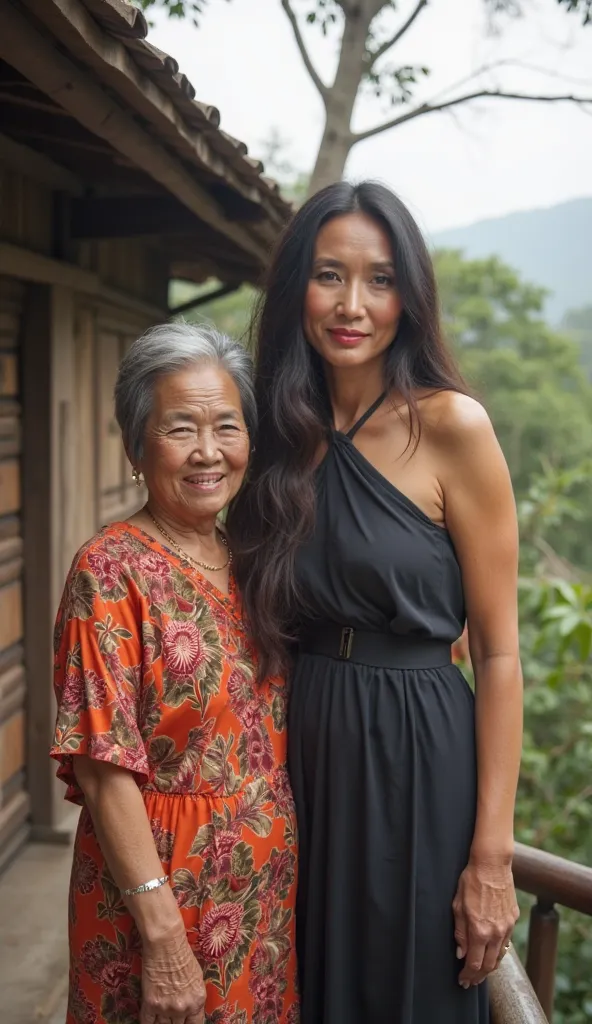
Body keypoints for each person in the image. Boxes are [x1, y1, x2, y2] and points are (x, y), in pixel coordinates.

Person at [227, 181, 523, 1024]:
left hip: (419, 748)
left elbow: (499, 653)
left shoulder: (452, 427)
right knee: (306, 984)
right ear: (298, 289)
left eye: (380, 279)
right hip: (300, 743)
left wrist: (492, 858)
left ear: (410, 295)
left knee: (412, 990)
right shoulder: (274, 430)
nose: (352, 304)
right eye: (329, 276)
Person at [50, 323, 299, 1024]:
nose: (208, 451)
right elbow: (103, 767)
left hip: (262, 901)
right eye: (180, 428)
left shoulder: (250, 562)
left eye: (227, 425)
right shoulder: (109, 571)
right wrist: (163, 939)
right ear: (135, 446)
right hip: (159, 903)